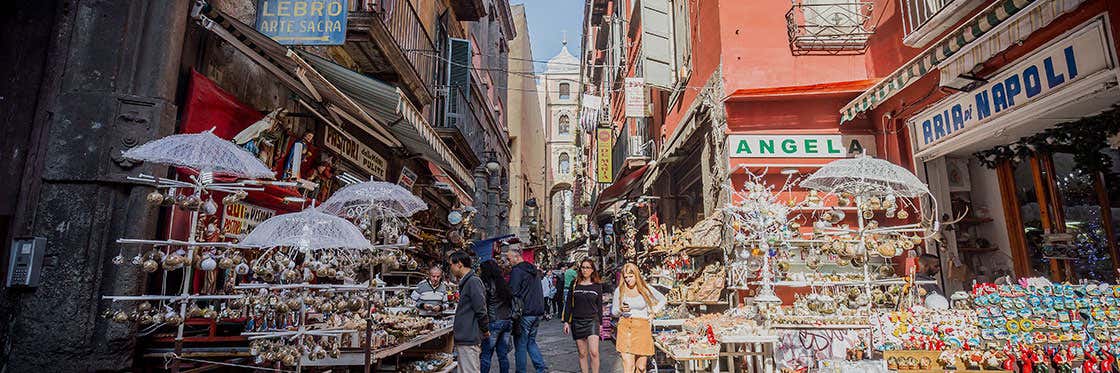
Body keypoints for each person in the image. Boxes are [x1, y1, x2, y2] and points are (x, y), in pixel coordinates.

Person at [612, 262, 666, 373]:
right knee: (628, 365)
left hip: (642, 328)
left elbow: (662, 299)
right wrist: (620, 310)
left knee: (641, 368)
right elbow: (614, 312)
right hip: (625, 327)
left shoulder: (645, 289)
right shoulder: (620, 290)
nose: (628, 280)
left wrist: (653, 312)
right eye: (625, 277)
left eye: (630, 276)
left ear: (636, 275)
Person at [506, 245, 549, 373]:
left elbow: (513, 291)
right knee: (531, 342)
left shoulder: (517, 271)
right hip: (537, 311)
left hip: (524, 313)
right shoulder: (533, 270)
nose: (509, 262)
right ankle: (541, 368)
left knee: (520, 345)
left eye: (509, 259)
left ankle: (521, 371)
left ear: (516, 256)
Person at [562, 259, 605, 373]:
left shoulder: (597, 286)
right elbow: (568, 304)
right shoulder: (574, 284)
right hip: (577, 321)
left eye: (587, 267)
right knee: (582, 353)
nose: (585, 270)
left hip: (592, 321)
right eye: (583, 267)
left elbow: (599, 306)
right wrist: (566, 321)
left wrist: (600, 324)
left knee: (594, 352)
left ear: (592, 270)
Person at [449, 251, 488, 373]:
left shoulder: (473, 281)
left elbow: (480, 308)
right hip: (466, 335)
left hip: (469, 335)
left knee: (469, 369)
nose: (450, 268)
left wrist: (485, 329)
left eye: (451, 264)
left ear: (459, 264)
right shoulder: (468, 281)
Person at [480, 260, 514, 373]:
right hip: (507, 321)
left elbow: (483, 306)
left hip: (494, 322)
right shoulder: (502, 283)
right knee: (502, 355)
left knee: (486, 355)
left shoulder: (486, 285)